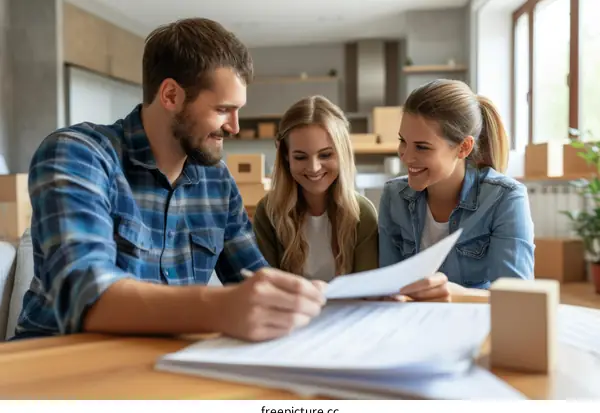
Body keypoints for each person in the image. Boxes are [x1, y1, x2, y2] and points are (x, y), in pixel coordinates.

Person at [14, 18, 328, 343]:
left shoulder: (216, 181)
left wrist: (319, 302)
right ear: (170, 95)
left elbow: (255, 274)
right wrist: (220, 308)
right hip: (58, 366)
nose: (234, 126)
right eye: (223, 109)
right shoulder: (77, 154)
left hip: (159, 365)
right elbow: (85, 296)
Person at [378, 79, 535, 293]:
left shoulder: (505, 198)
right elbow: (386, 286)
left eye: (422, 147)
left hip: (476, 322)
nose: (406, 156)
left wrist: (454, 294)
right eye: (403, 141)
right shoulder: (393, 196)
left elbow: (517, 297)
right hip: (411, 321)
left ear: (463, 148)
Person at [252, 95, 379, 282]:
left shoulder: (363, 214)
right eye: (301, 157)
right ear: (286, 156)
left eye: (325, 155)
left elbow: (368, 288)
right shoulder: (268, 212)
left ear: (342, 152)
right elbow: (266, 286)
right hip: (290, 311)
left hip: (349, 311)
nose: (314, 168)